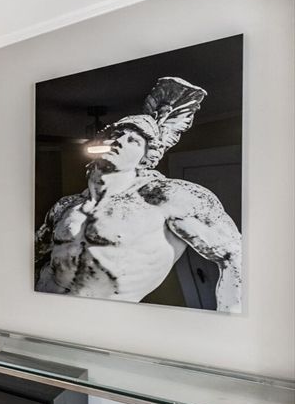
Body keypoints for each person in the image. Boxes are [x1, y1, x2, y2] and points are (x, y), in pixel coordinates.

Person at [35, 77, 242, 312]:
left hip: (104, 321)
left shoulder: (166, 197)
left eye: (133, 140)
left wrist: (229, 324)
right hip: (43, 307)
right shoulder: (67, 205)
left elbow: (235, 257)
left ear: (146, 155)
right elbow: (34, 255)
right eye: (115, 135)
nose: (119, 141)